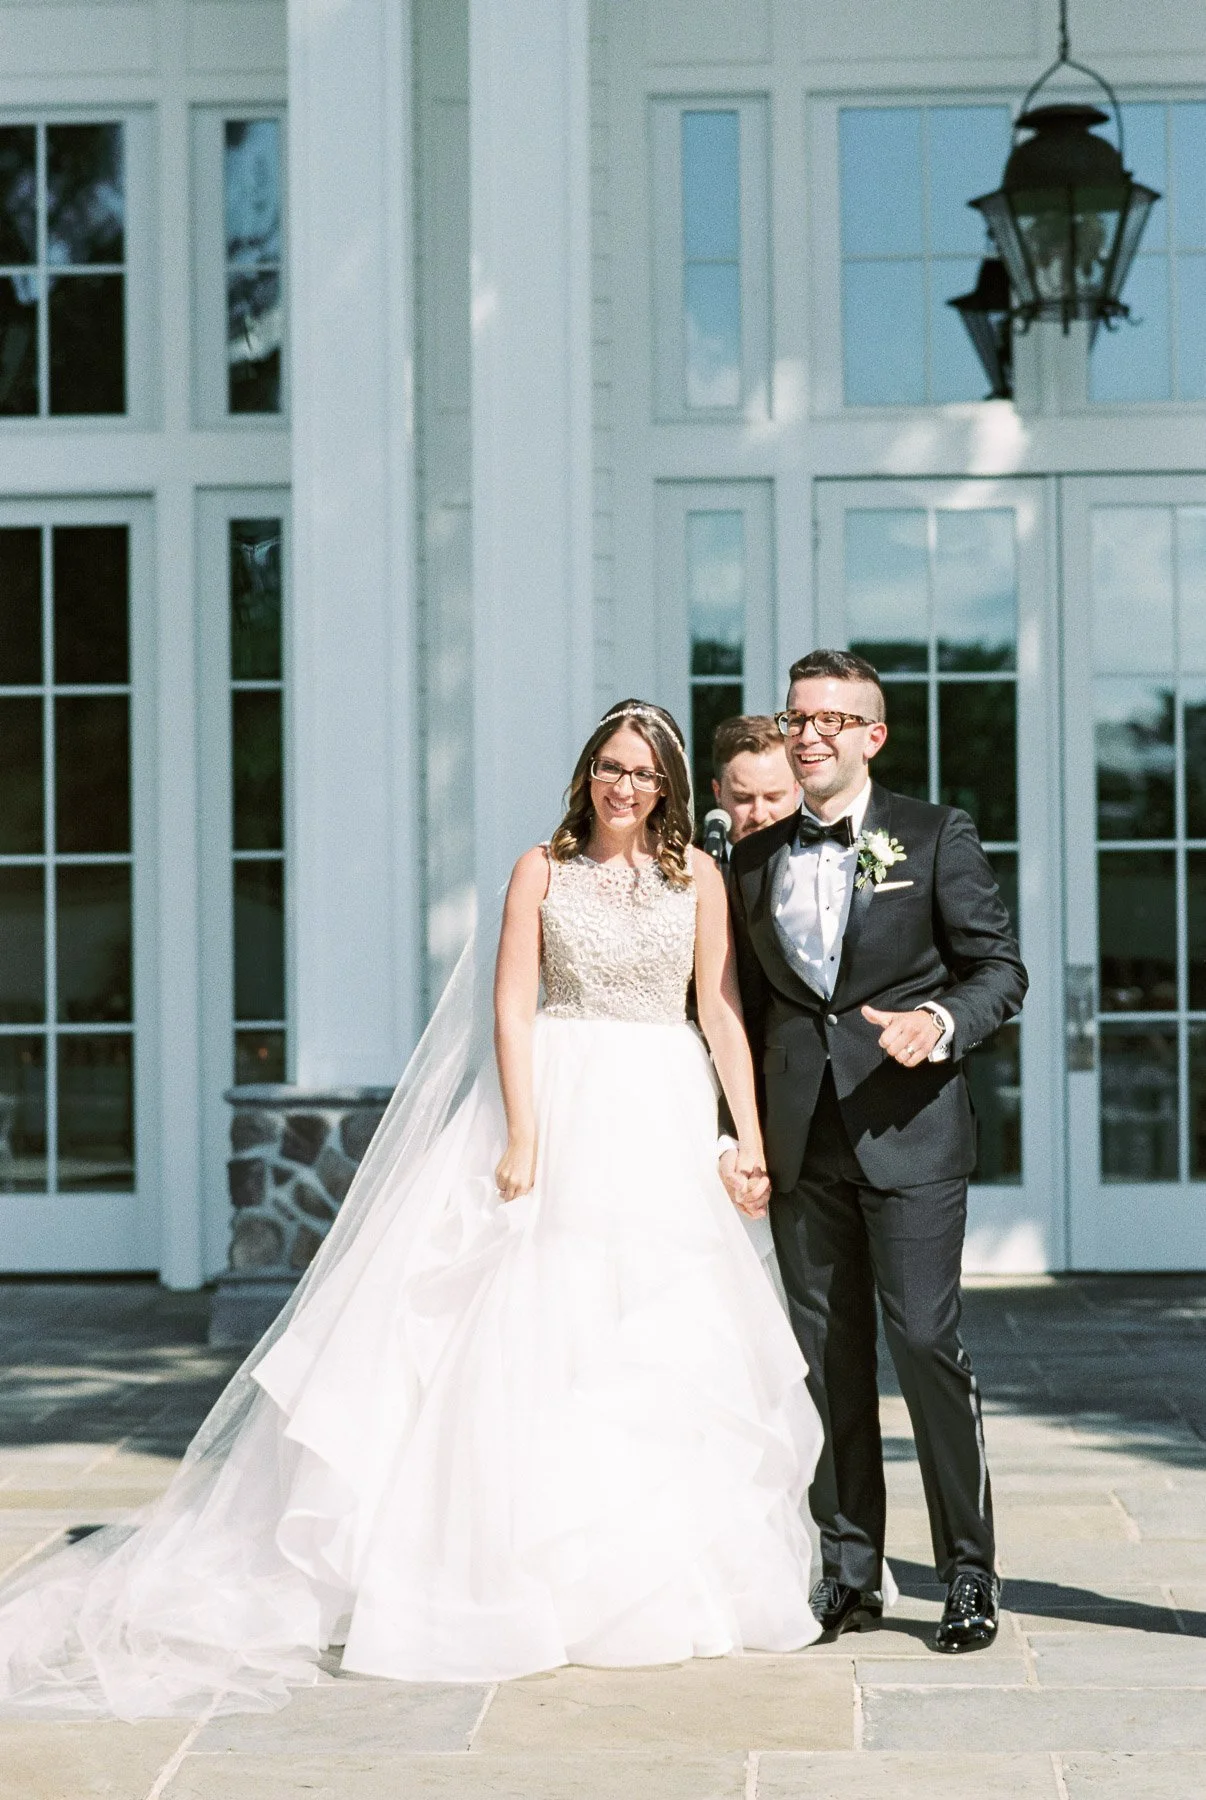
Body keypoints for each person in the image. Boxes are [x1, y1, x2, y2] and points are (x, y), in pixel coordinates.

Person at [0, 699, 822, 1719]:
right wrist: (524, 1133)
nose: (626, 785)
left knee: (652, 1342)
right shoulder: (540, 868)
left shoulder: (693, 875)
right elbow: (512, 1009)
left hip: (658, 1108)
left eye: (645, 772)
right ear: (588, 772)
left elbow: (722, 1010)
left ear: (671, 786)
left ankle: (647, 1583)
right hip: (561, 1095)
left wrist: (745, 1134)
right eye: (611, 766)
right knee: (531, 1328)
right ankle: (507, 1578)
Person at [727, 649, 1027, 1655]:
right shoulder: (753, 862)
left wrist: (939, 1020)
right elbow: (748, 1009)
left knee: (926, 1346)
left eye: (830, 719)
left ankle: (969, 1575)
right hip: (803, 1147)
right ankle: (850, 1576)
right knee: (824, 1363)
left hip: (913, 1138)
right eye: (797, 716)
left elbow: (1000, 971)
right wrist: (743, 1134)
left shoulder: (935, 836)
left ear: (871, 735)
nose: (809, 732)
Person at [711, 714, 800, 850]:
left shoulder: (824, 865)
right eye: (743, 798)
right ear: (718, 793)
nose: (759, 816)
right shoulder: (695, 868)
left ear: (796, 790)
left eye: (772, 798)